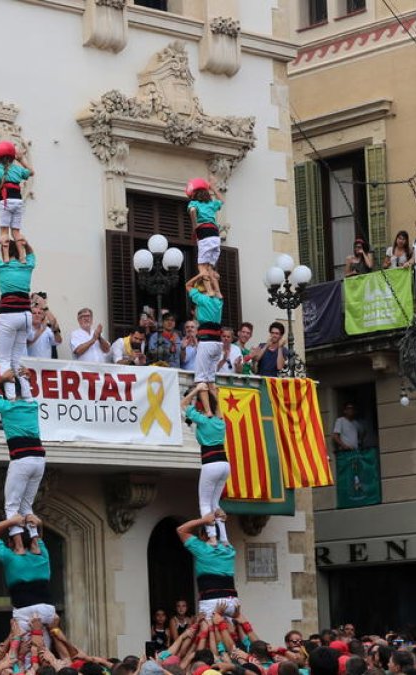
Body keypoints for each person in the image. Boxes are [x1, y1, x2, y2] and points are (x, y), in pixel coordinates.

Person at [0, 368, 45, 551]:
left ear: (4, 393)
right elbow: (26, 391)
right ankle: (33, 541)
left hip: (22, 459)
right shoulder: (33, 405)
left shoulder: (6, 407)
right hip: (39, 459)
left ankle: (18, 544)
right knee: (27, 505)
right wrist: (23, 376)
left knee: (12, 506)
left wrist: (2, 378)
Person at [0, 513, 57, 644]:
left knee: (25, 655)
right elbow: (36, 538)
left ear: (10, 543)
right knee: (43, 650)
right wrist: (38, 524)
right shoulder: (42, 554)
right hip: (47, 610)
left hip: (24, 611)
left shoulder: (10, 558)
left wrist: (11, 521)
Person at [0, 239, 37, 398]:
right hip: (26, 316)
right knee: (16, 359)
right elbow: (32, 253)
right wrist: (26, 243)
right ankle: (27, 395)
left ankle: (11, 397)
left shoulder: (2, 267)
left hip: (9, 316)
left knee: (4, 359)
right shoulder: (27, 265)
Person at [183, 383, 230, 543]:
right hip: (224, 464)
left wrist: (196, 390)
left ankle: (212, 537)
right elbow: (218, 408)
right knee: (215, 503)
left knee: (204, 503)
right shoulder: (220, 421)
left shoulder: (202, 420)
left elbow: (182, 404)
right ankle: (224, 539)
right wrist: (212, 392)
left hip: (210, 463)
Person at [176, 512, 238, 620]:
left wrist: (204, 520)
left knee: (208, 634)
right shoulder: (229, 550)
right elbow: (224, 539)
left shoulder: (202, 549)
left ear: (203, 535)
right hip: (232, 602)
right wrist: (220, 521)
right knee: (230, 634)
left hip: (211, 601)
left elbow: (181, 530)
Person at [0, 140, 34, 245]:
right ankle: (22, 255)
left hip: (5, 201)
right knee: (16, 232)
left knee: (4, 232)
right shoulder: (18, 168)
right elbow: (31, 172)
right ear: (12, 157)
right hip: (18, 202)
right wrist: (21, 160)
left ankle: (6, 257)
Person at [187, 272, 224, 411]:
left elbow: (188, 285)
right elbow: (217, 289)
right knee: (211, 381)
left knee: (201, 380)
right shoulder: (219, 301)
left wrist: (200, 275)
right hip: (217, 345)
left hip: (207, 343)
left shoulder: (202, 300)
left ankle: (208, 411)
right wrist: (212, 279)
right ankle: (218, 411)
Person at [187, 178, 224, 295]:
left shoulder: (194, 203)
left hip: (204, 232)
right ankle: (218, 292)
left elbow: (192, 211)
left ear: (193, 193)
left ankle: (210, 291)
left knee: (201, 267)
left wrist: (195, 226)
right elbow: (221, 200)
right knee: (209, 268)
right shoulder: (211, 204)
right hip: (215, 235)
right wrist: (212, 186)